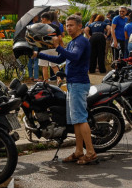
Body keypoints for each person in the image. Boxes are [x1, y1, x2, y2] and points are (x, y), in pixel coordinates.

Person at [39, 15, 97, 163]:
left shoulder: (82, 41)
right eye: (67, 25)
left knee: (81, 119)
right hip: (72, 84)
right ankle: (78, 151)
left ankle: (90, 152)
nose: (68, 27)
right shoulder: (73, 42)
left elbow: (75, 57)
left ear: (80, 27)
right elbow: (60, 59)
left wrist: (58, 47)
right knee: (75, 120)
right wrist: (37, 54)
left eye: (71, 25)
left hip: (78, 84)